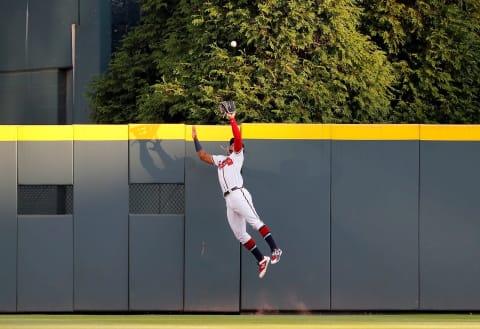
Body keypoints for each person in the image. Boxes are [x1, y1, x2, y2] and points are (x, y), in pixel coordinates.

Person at [191, 112, 283, 279]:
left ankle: (275, 248)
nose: (234, 144)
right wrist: (195, 138)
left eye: (235, 143)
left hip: (238, 192)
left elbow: (238, 138)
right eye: (232, 144)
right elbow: (202, 156)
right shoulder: (220, 159)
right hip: (228, 200)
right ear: (228, 147)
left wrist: (232, 119)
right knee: (240, 235)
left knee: (255, 223)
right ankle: (262, 259)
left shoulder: (237, 155)